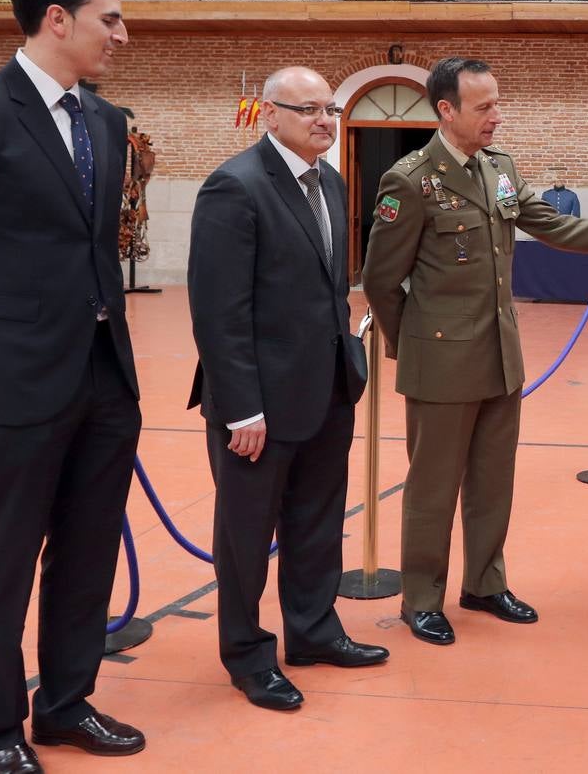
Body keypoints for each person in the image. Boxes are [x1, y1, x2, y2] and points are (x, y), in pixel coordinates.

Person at [361, 56, 588, 646]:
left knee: (494, 481)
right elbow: (380, 280)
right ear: (446, 111)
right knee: (433, 486)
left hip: (500, 355)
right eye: (485, 106)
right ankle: (421, 597)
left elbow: (551, 224)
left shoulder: (499, 169)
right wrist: (416, 346)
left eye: (498, 102)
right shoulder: (411, 180)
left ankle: (484, 584)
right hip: (441, 362)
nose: (498, 116)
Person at [0, 0, 146, 774]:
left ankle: (65, 705)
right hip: (13, 380)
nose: (121, 35)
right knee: (3, 559)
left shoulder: (104, 121)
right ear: (57, 19)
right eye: (111, 19)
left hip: (101, 373)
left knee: (88, 551)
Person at [187, 66, 389, 713]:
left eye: (329, 107)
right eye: (307, 110)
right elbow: (218, 311)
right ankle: (248, 655)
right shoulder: (235, 187)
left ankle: (313, 630)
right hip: (258, 406)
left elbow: (328, 291)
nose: (324, 120)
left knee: (317, 522)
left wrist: (347, 363)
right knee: (246, 536)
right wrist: (241, 406)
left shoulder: (328, 180)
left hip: (326, 389)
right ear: (269, 114)